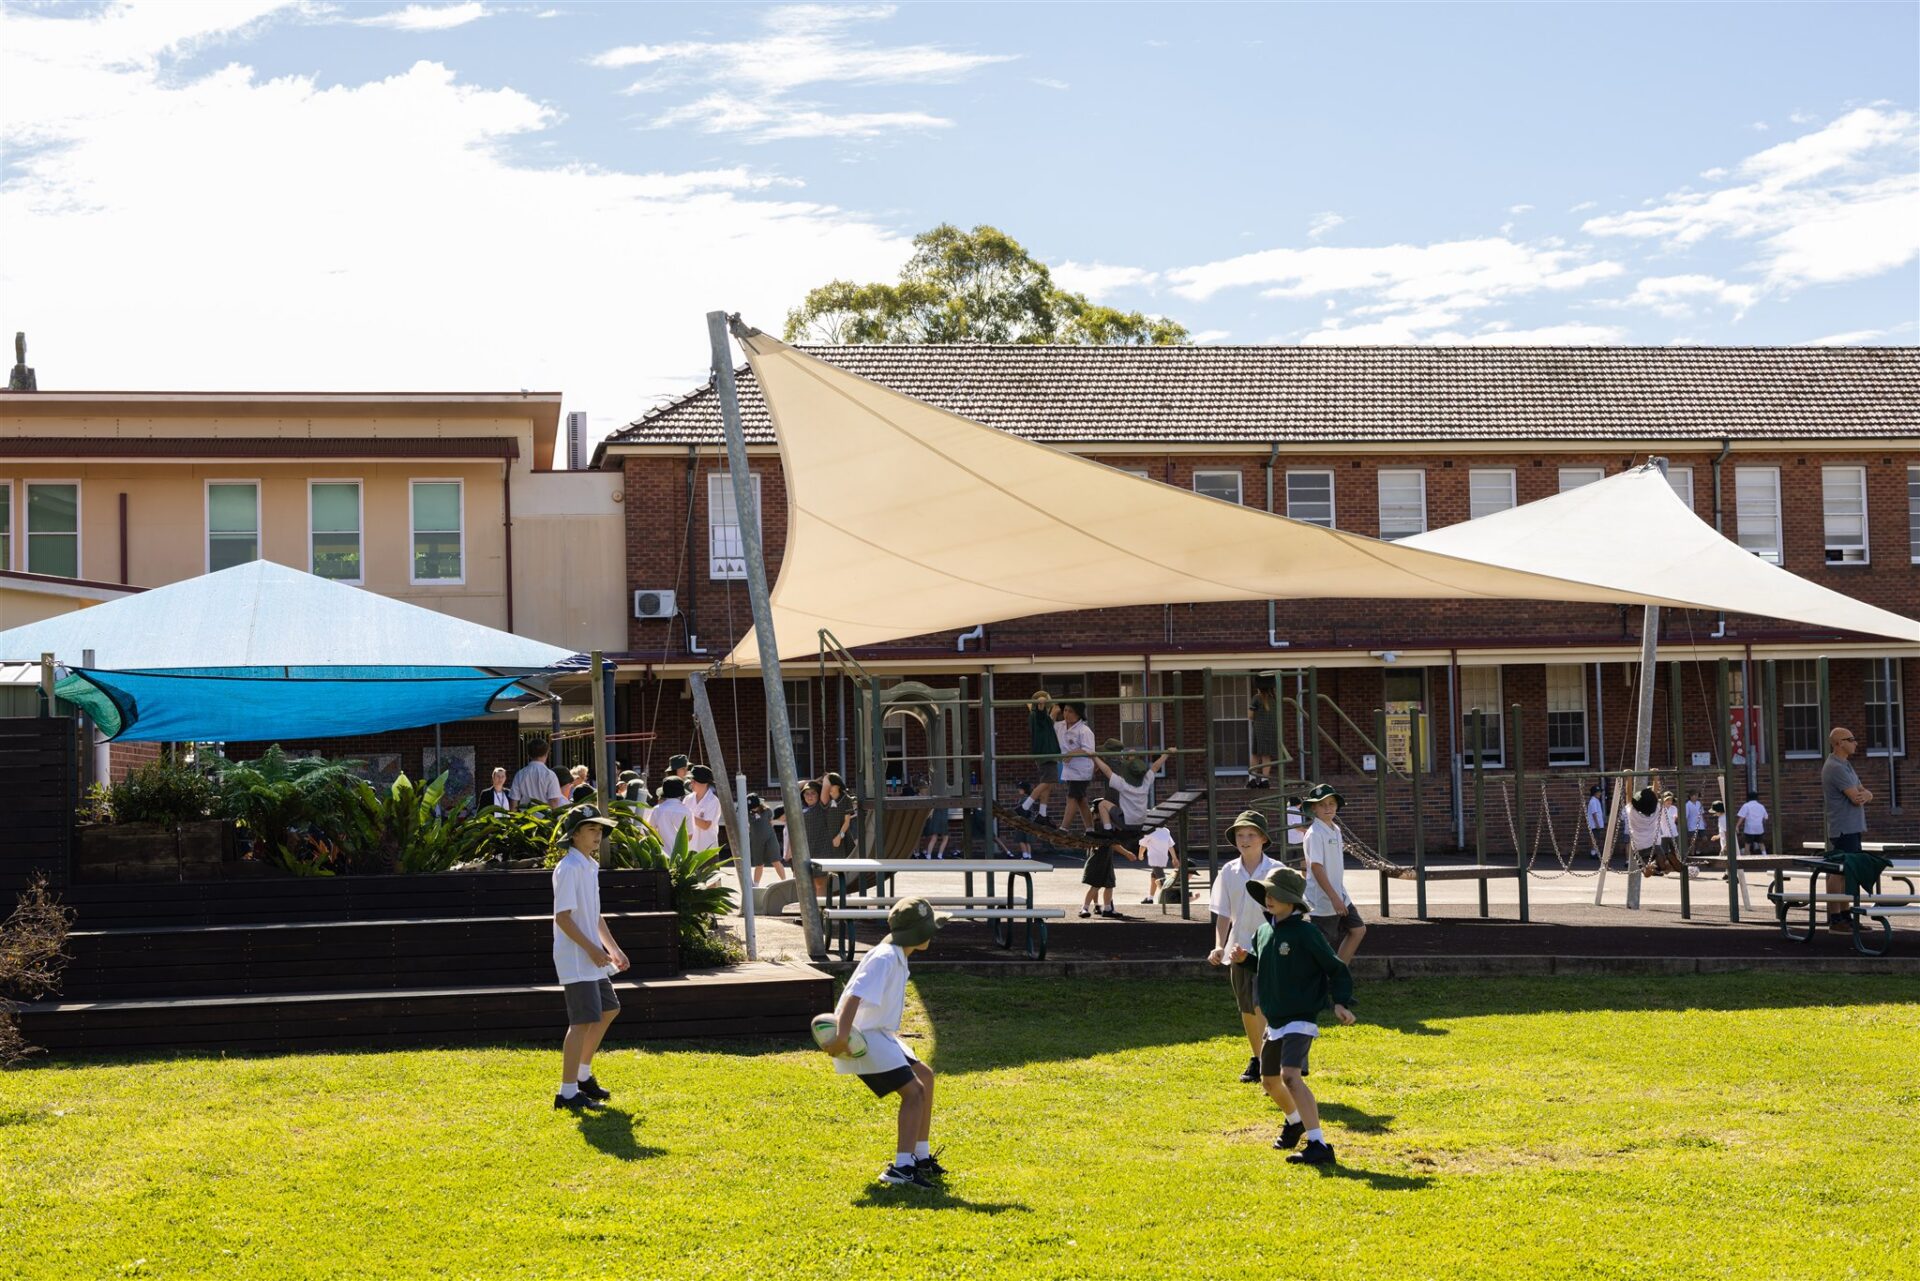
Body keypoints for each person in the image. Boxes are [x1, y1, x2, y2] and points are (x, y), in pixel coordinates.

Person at [818, 897, 949, 1189]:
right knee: (913, 1092)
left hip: (880, 1034)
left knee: (925, 1076)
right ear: (916, 934)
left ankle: (920, 1156)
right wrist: (841, 1037)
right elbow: (854, 996)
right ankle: (901, 1168)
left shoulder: (898, 954)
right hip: (861, 1037)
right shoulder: (885, 957)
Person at [1234, 866, 1356, 1167]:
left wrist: (1340, 1003)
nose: (1269, 899)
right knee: (1269, 1082)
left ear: (1292, 900)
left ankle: (1319, 1146)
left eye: (1275, 894)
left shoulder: (1307, 933)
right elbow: (1265, 965)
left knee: (1290, 1076)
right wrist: (1244, 959)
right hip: (1274, 1021)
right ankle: (1294, 1121)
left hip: (1300, 1018)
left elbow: (1336, 967)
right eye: (1266, 894)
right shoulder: (1263, 932)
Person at [550, 805, 629, 1112]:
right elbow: (563, 919)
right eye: (591, 830)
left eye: (600, 830)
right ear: (575, 835)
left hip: (591, 957)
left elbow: (593, 915)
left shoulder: (589, 865)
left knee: (609, 1009)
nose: (598, 835)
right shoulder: (568, 868)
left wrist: (613, 948)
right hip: (575, 957)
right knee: (581, 1021)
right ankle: (566, 1093)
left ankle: (582, 1076)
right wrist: (593, 950)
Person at [1206, 810, 1282, 1084]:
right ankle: (1259, 1058)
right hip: (1238, 948)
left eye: (1251, 835)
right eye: (1240, 835)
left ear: (1263, 838)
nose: (1245, 840)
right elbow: (1223, 913)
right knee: (1248, 1008)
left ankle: (1271, 1062)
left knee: (1263, 1005)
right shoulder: (1229, 871)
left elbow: (1289, 912)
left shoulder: (1277, 870)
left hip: (1269, 948)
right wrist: (1218, 946)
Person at [1299, 783, 1367, 964]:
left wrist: (1339, 896)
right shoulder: (1314, 833)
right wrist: (1334, 897)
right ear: (1313, 808)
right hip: (1323, 900)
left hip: (1340, 894)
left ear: (1337, 805)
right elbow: (1316, 867)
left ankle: (1338, 974)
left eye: (1331, 803)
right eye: (1322, 804)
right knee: (1320, 947)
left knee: (1358, 930)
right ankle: (1315, 982)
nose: (1328, 808)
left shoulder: (1335, 829)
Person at [1822, 726, 1879, 934]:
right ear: (1839, 744)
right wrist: (1863, 795)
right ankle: (1835, 919)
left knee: (1847, 872)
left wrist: (1867, 795)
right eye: (1851, 739)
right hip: (1843, 828)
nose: (1855, 742)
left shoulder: (1846, 765)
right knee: (1838, 872)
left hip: (1852, 827)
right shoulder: (1835, 767)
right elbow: (1856, 798)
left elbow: (1864, 792)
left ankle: (1846, 917)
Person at [1092, 741, 1172, 832]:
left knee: (1102, 804)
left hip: (1126, 821)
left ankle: (1108, 831)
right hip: (1140, 823)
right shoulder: (1145, 781)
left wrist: (1094, 756)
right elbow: (1155, 767)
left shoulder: (1123, 784)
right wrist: (1166, 754)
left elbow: (1107, 771)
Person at [1016, 692, 1061, 823]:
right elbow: (1042, 714)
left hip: (1045, 753)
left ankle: (1042, 814)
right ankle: (1025, 806)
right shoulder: (1038, 716)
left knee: (1047, 784)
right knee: (1048, 782)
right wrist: (1042, 704)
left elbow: (1048, 719)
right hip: (1046, 752)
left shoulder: (1036, 717)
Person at [1056, 701, 1097, 833]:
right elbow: (1048, 728)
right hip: (1069, 769)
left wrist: (1072, 754)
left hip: (1081, 770)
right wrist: (1053, 712)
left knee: (1072, 796)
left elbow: (1089, 749)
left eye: (1071, 711)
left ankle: (1064, 828)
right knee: (1081, 799)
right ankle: (1090, 829)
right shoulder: (1060, 726)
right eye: (1065, 710)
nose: (1067, 714)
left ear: (1078, 714)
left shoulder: (1084, 731)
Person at [510, 739, 568, 810]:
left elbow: (514, 802)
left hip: (525, 818)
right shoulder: (550, 775)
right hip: (545, 819)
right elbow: (554, 801)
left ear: (529, 754)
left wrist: (513, 819)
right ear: (546, 754)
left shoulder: (519, 775)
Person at [799, 779, 832, 896]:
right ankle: (813, 911)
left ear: (819, 795)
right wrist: (811, 780)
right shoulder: (801, 807)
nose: (810, 796)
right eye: (807, 793)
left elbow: (827, 784)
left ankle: (821, 910)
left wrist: (819, 781)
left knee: (820, 883)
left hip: (821, 849)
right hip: (807, 850)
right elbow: (793, 787)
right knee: (809, 883)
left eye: (813, 793)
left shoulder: (821, 806)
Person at [745, 793, 784, 886]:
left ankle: (784, 881)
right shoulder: (748, 814)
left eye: (755, 807)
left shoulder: (767, 811)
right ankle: (756, 884)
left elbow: (770, 822)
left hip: (770, 838)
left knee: (775, 860)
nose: (754, 809)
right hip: (756, 840)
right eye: (751, 807)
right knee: (759, 864)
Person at [1248, 679, 1280, 789]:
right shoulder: (1275, 699)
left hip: (1259, 729)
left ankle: (1252, 779)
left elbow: (1250, 716)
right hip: (1272, 729)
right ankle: (1265, 780)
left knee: (1255, 754)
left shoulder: (1257, 698)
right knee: (1266, 755)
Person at [648, 777, 691, 855]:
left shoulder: (657, 809)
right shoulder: (686, 811)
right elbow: (690, 836)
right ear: (681, 794)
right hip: (681, 855)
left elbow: (650, 831)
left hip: (661, 855)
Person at [1137, 824, 1179, 906]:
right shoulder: (1166, 831)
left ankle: (1169, 898)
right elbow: (1170, 845)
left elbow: (1143, 845)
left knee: (1161, 878)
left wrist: (1140, 854)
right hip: (1163, 858)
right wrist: (1174, 857)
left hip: (1154, 858)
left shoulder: (1149, 831)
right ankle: (1150, 898)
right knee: (1154, 877)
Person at [687, 765, 723, 856]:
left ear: (702, 782)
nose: (691, 783)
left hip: (707, 851)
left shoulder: (713, 801)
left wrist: (688, 815)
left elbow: (706, 825)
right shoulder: (688, 799)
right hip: (690, 849)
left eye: (693, 780)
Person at [822, 772, 856, 854]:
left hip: (841, 837)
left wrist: (839, 837)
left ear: (838, 785)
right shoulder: (825, 799)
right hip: (826, 838)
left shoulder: (846, 799)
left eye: (831, 785)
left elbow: (847, 822)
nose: (829, 788)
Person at [1736, 790, 1769, 859]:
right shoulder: (1761, 806)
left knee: (1747, 844)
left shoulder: (1746, 806)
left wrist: (1737, 826)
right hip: (1759, 828)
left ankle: (1747, 860)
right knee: (1761, 844)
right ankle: (1765, 857)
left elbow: (1742, 817)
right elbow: (1766, 817)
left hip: (1749, 829)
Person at [1585, 784, 1607, 862]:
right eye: (1598, 792)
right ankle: (1593, 853)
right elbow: (1594, 813)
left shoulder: (1596, 800)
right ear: (1595, 793)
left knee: (1596, 838)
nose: (1600, 793)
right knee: (1595, 839)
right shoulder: (1593, 801)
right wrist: (1597, 823)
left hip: (1597, 824)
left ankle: (1594, 852)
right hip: (1595, 825)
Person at [1684, 789, 1706, 861]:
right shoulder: (1687, 805)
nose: (1695, 797)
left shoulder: (1699, 803)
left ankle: (1698, 850)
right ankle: (1692, 855)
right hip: (1692, 825)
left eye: (1696, 795)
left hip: (1701, 824)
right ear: (1690, 796)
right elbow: (1686, 816)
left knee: (1704, 839)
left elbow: (1701, 813)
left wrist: (1704, 822)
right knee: (1693, 840)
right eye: (1694, 795)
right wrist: (1686, 826)